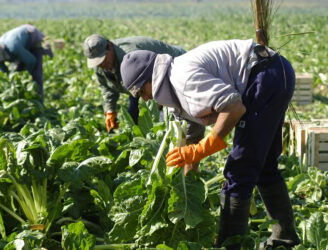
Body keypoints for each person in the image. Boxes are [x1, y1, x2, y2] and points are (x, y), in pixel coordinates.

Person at [120, 39, 300, 249]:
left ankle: (228, 245)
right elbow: (192, 136)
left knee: (240, 169)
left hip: (265, 76)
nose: (144, 99)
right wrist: (188, 184)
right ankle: (284, 240)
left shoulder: (182, 79)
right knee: (264, 166)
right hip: (273, 72)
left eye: (142, 91)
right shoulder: (172, 86)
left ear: (151, 77)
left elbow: (233, 108)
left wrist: (209, 144)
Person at [83, 34, 190, 132]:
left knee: (170, 118)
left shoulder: (130, 57)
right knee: (133, 117)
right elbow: (106, 86)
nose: (102, 64)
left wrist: (159, 101)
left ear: (110, 46)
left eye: (103, 59)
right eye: (98, 62)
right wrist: (110, 110)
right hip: (141, 84)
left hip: (174, 68)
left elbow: (155, 79)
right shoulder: (100, 66)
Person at [0, 24, 53, 102]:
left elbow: (31, 61)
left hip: (32, 37)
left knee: (35, 75)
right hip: (20, 44)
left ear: (0, 55)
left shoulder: (13, 48)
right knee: (16, 73)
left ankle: (40, 103)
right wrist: (8, 79)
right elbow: (2, 69)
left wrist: (26, 74)